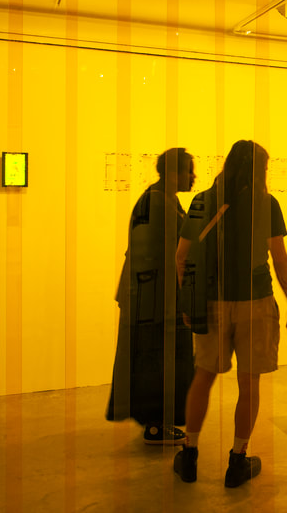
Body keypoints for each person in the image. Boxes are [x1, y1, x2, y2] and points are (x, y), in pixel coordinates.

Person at [173, 140, 287, 488]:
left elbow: (181, 256)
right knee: (249, 383)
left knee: (203, 377)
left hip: (211, 303)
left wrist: (189, 300)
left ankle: (189, 454)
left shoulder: (202, 201)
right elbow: (279, 257)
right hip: (256, 302)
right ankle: (237, 460)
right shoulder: (267, 204)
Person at [106, 147, 196, 445]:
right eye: (188, 171)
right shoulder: (157, 202)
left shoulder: (163, 199)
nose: (193, 176)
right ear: (173, 173)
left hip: (154, 296)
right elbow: (175, 248)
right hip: (152, 300)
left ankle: (158, 423)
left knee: (159, 359)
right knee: (156, 361)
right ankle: (156, 426)